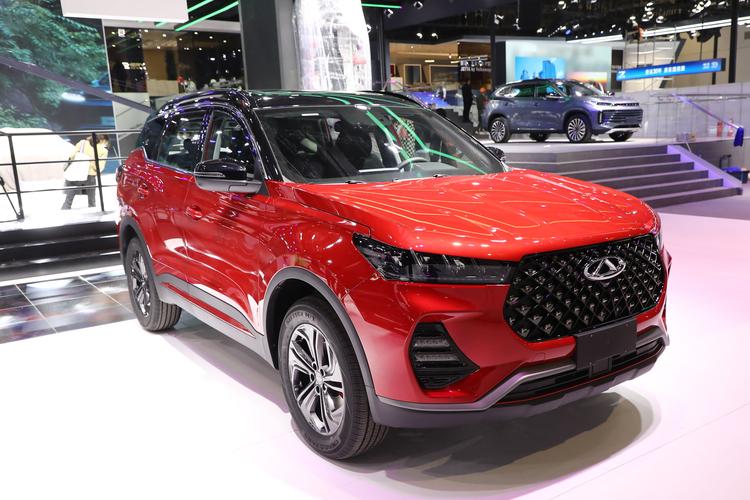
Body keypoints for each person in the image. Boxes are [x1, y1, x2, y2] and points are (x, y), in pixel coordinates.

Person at [61, 134, 109, 210]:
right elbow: (99, 167)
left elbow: (71, 156)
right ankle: (92, 211)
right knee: (91, 199)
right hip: (90, 176)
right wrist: (91, 161)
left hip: (77, 172)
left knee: (69, 197)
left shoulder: (82, 143)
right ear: (103, 141)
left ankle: (65, 210)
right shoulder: (104, 151)